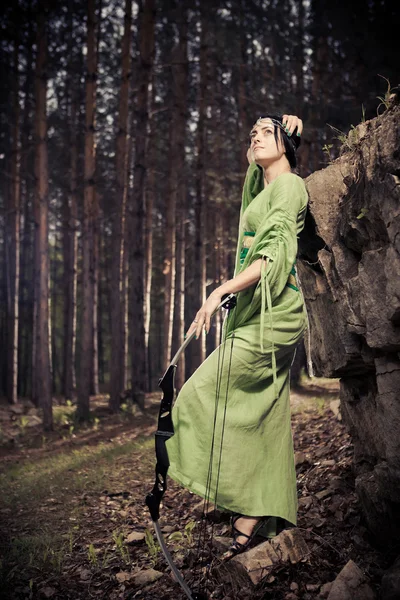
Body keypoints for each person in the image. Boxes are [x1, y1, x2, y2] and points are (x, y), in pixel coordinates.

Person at [165, 114, 309, 559]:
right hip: (254, 311)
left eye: (267, 132)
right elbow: (254, 189)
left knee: (197, 393)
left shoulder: (288, 187)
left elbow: (273, 256)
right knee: (263, 410)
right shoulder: (264, 185)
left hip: (277, 311)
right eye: (252, 134)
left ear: (286, 142)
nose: (257, 138)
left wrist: (220, 290)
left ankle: (236, 494)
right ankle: (257, 511)